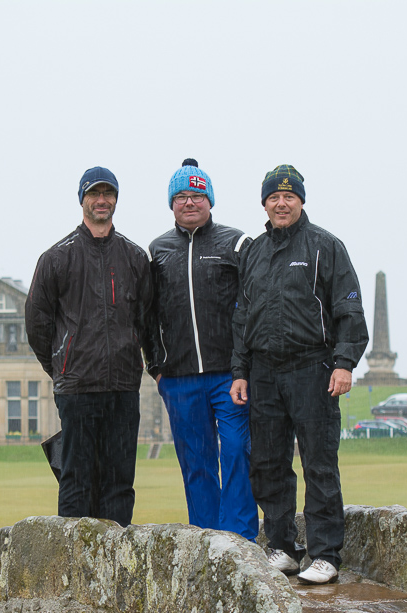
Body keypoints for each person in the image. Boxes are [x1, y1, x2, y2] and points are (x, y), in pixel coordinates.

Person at [230, 165, 369, 585]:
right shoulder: (253, 251)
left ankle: (325, 554)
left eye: (289, 197)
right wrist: (240, 371)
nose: (281, 203)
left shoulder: (325, 246)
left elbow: (349, 309)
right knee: (269, 462)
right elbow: (242, 319)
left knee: (319, 463)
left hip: (314, 368)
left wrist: (344, 362)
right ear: (265, 204)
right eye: (274, 197)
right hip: (265, 372)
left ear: (301, 201)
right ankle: (283, 548)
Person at [25, 166, 152, 527]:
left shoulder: (134, 257)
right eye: (94, 194)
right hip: (77, 388)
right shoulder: (56, 258)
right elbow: (37, 322)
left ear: (115, 200)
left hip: (124, 387)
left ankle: (114, 566)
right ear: (82, 199)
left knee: (119, 482)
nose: (101, 200)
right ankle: (75, 569)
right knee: (76, 480)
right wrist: (61, 365)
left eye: (108, 193)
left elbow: (146, 318)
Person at [146, 158, 257, 540]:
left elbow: (255, 305)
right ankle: (207, 538)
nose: (189, 202)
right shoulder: (157, 250)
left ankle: (240, 538)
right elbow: (147, 314)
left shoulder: (236, 242)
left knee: (238, 450)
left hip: (230, 375)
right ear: (171, 204)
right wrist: (155, 367)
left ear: (210, 200)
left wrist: (246, 365)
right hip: (178, 378)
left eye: (197, 195)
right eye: (181, 196)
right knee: (196, 462)